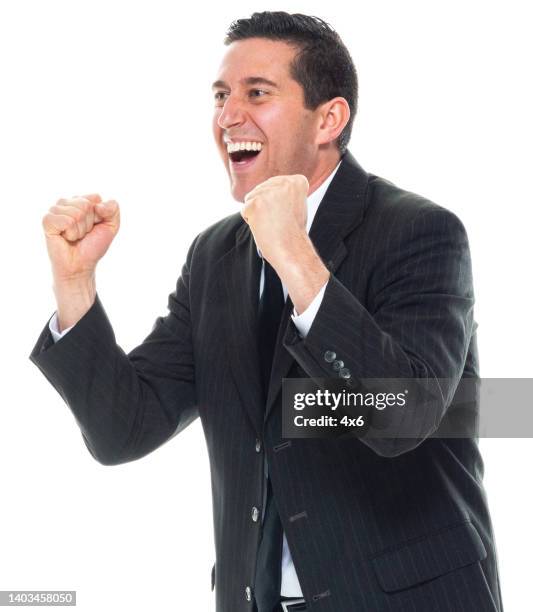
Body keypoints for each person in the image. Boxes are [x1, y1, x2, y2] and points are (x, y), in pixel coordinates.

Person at [30, 11, 503, 612]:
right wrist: (75, 284)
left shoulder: (421, 231)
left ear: (329, 118)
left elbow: (402, 416)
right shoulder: (214, 255)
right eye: (222, 96)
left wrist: (296, 258)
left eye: (257, 93)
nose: (229, 116)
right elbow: (126, 429)